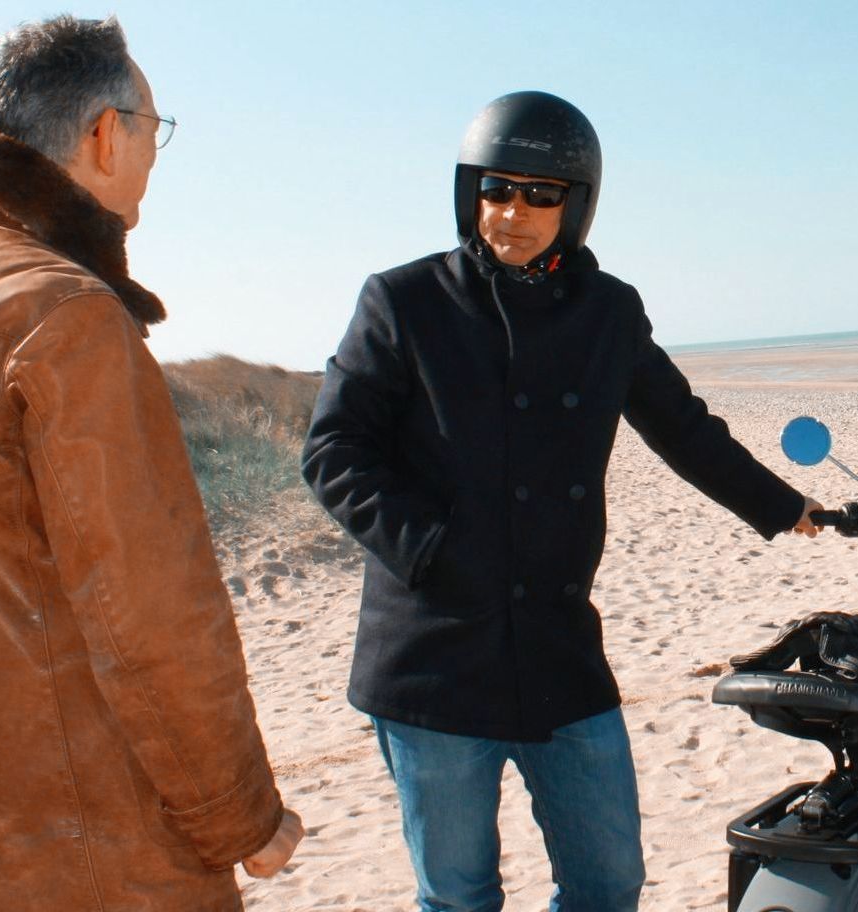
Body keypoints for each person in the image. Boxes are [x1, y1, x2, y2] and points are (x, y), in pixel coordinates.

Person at [301, 91, 822, 912]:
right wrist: (430, 551)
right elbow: (333, 451)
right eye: (495, 188)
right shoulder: (403, 301)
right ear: (469, 192)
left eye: (540, 194)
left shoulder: (607, 311)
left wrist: (786, 507)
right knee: (458, 897)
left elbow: (682, 428)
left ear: (575, 205)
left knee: (608, 883)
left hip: (557, 648)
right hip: (431, 657)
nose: (512, 212)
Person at [0, 16, 301, 911]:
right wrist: (241, 819)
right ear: (106, 134)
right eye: (152, 128)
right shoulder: (63, 317)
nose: (151, 157)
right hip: (90, 852)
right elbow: (150, 615)